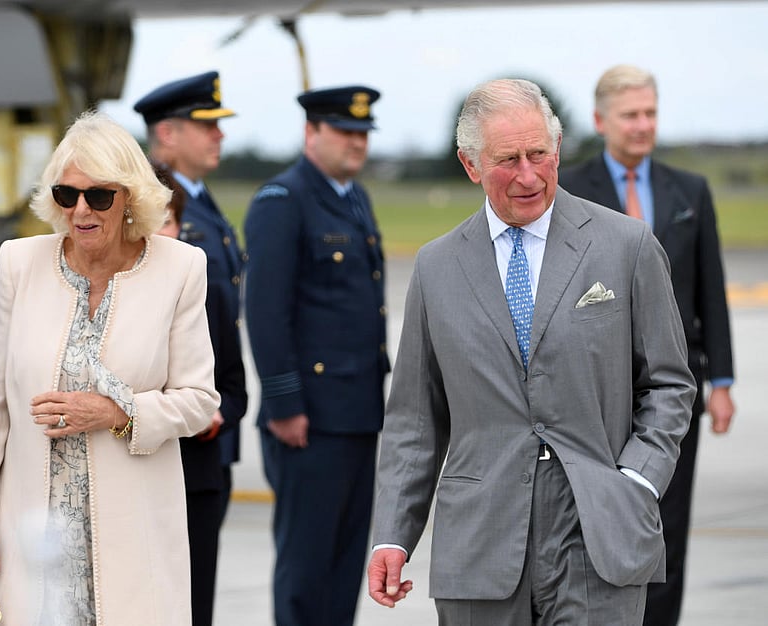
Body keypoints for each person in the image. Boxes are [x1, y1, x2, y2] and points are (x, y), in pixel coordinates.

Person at [367, 78, 697, 625]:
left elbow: (669, 384)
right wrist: (392, 536)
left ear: (558, 148)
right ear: (470, 165)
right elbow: (414, 420)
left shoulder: (627, 246)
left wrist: (636, 481)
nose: (528, 175)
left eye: (539, 154)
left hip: (599, 534)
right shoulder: (435, 267)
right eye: (507, 160)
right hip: (480, 541)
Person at [0, 111, 220, 625]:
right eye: (66, 194)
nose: (81, 209)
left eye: (99, 195)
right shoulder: (19, 263)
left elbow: (200, 401)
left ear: (129, 199)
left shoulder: (181, 268)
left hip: (134, 533)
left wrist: (116, 412)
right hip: (33, 534)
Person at [559, 64, 735, 626]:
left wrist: (723, 382)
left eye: (650, 113)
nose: (642, 125)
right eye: (631, 115)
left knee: (668, 526)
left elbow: (711, 288)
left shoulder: (690, 191)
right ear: (600, 120)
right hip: (594, 387)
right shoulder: (567, 187)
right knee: (596, 526)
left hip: (672, 390)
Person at [244, 84, 387, 626]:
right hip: (307, 419)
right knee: (306, 568)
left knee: (345, 562)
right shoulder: (282, 200)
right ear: (311, 133)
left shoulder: (353, 197)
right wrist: (284, 405)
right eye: (345, 132)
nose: (357, 143)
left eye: (363, 134)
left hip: (355, 412)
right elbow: (265, 310)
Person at [134, 70, 248, 626]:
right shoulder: (153, 205)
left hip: (205, 454)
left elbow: (228, 356)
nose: (218, 136)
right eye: (206, 126)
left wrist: (217, 415)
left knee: (195, 591)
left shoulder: (204, 212)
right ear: (168, 133)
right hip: (147, 458)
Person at [156, 169, 248, 626]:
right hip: (138, 475)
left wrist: (215, 416)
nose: (162, 233)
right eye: (152, 222)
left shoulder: (208, 291)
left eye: (170, 222)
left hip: (197, 476)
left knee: (195, 607)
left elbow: (235, 390)